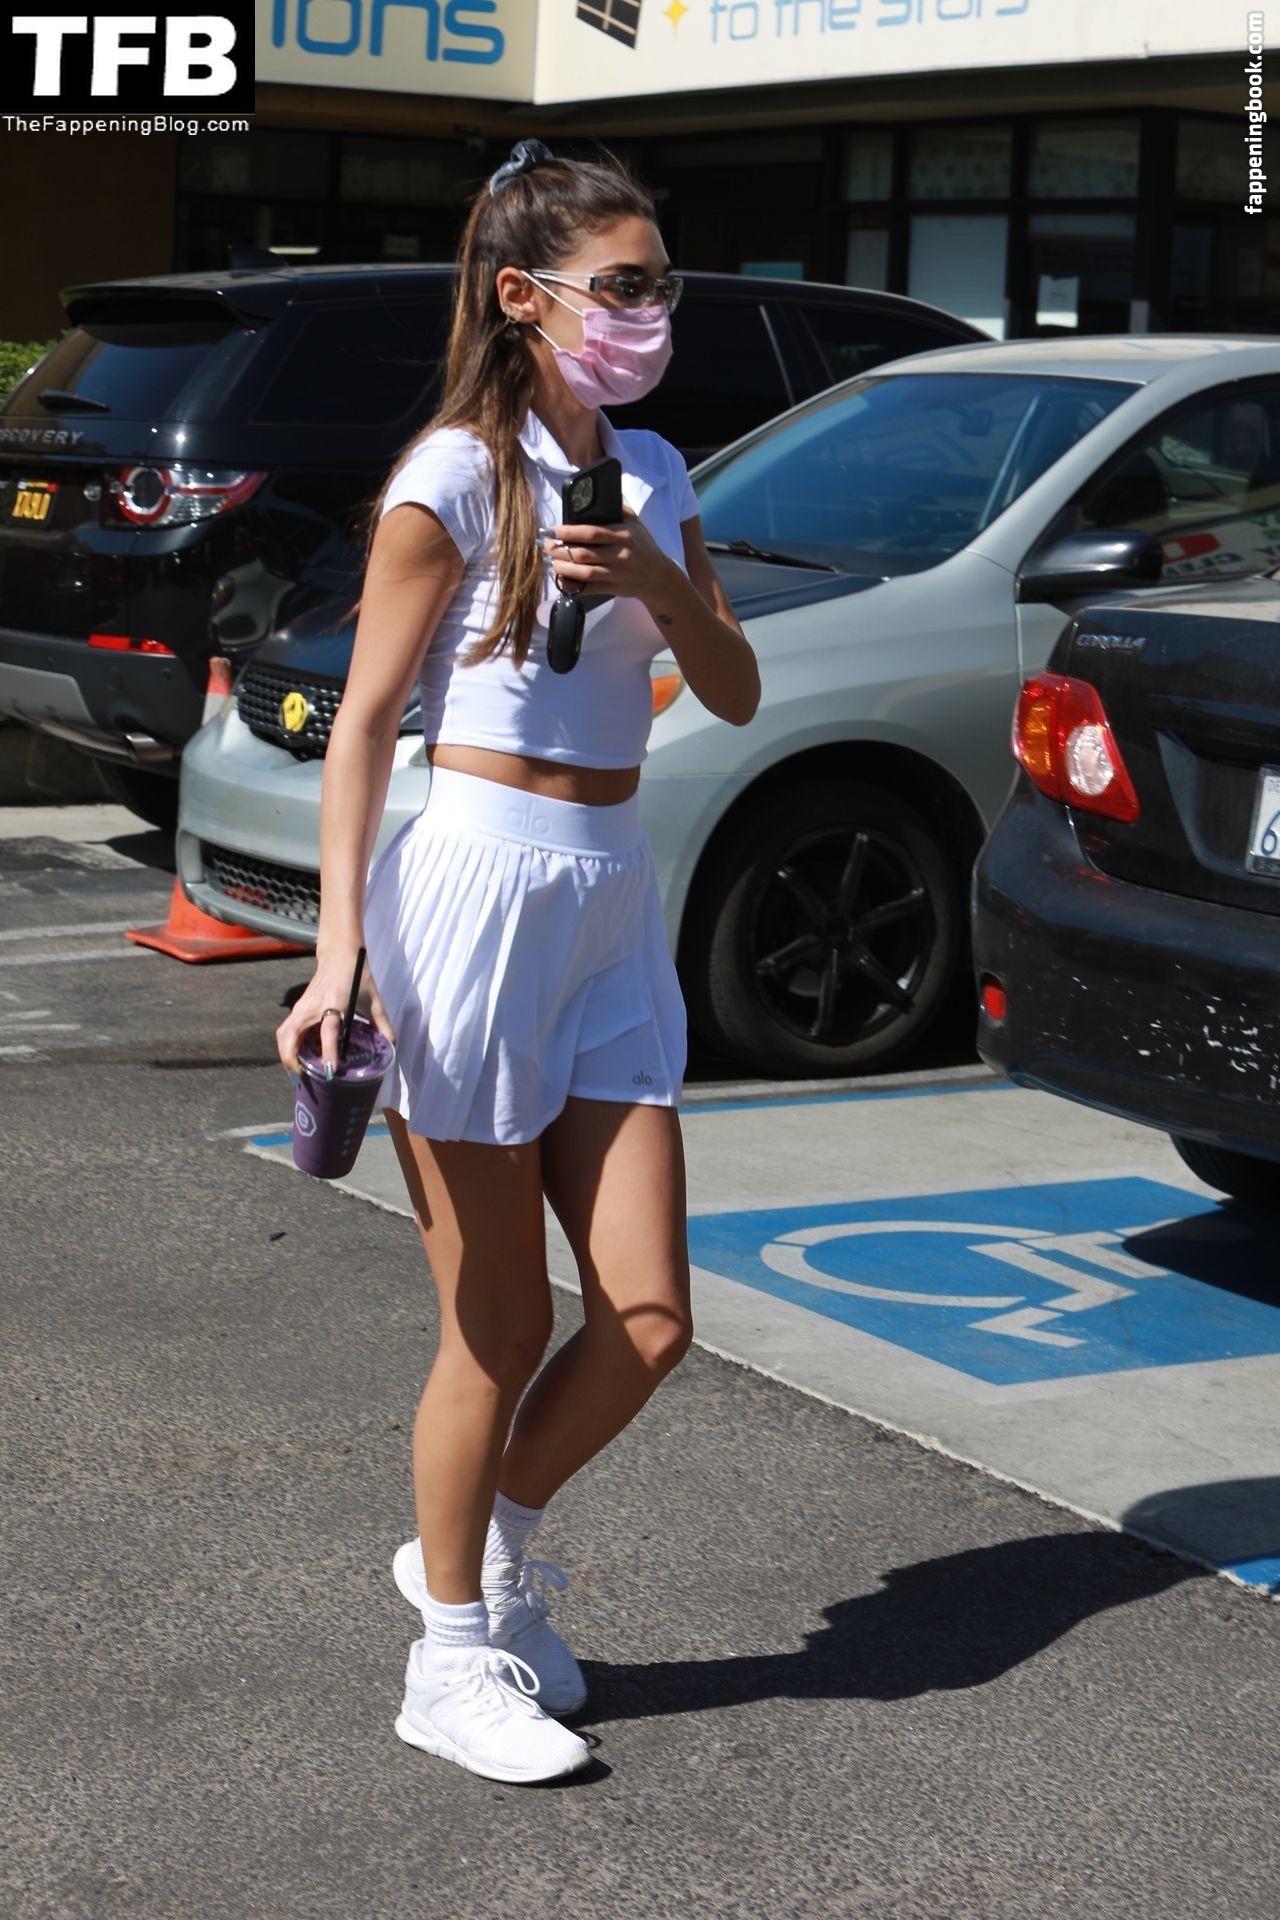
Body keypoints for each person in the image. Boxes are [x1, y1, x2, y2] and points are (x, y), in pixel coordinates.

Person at [276, 138, 760, 1785]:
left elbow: (731, 688)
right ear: (522, 294)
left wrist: (661, 588)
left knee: (649, 1321)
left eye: (660, 284)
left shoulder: (660, 473)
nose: (649, 311)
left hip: (613, 896)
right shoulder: (454, 478)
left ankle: (479, 1552)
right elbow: (362, 726)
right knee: (493, 1323)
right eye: (622, 285)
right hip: (475, 891)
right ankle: (449, 1660)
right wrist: (338, 957)